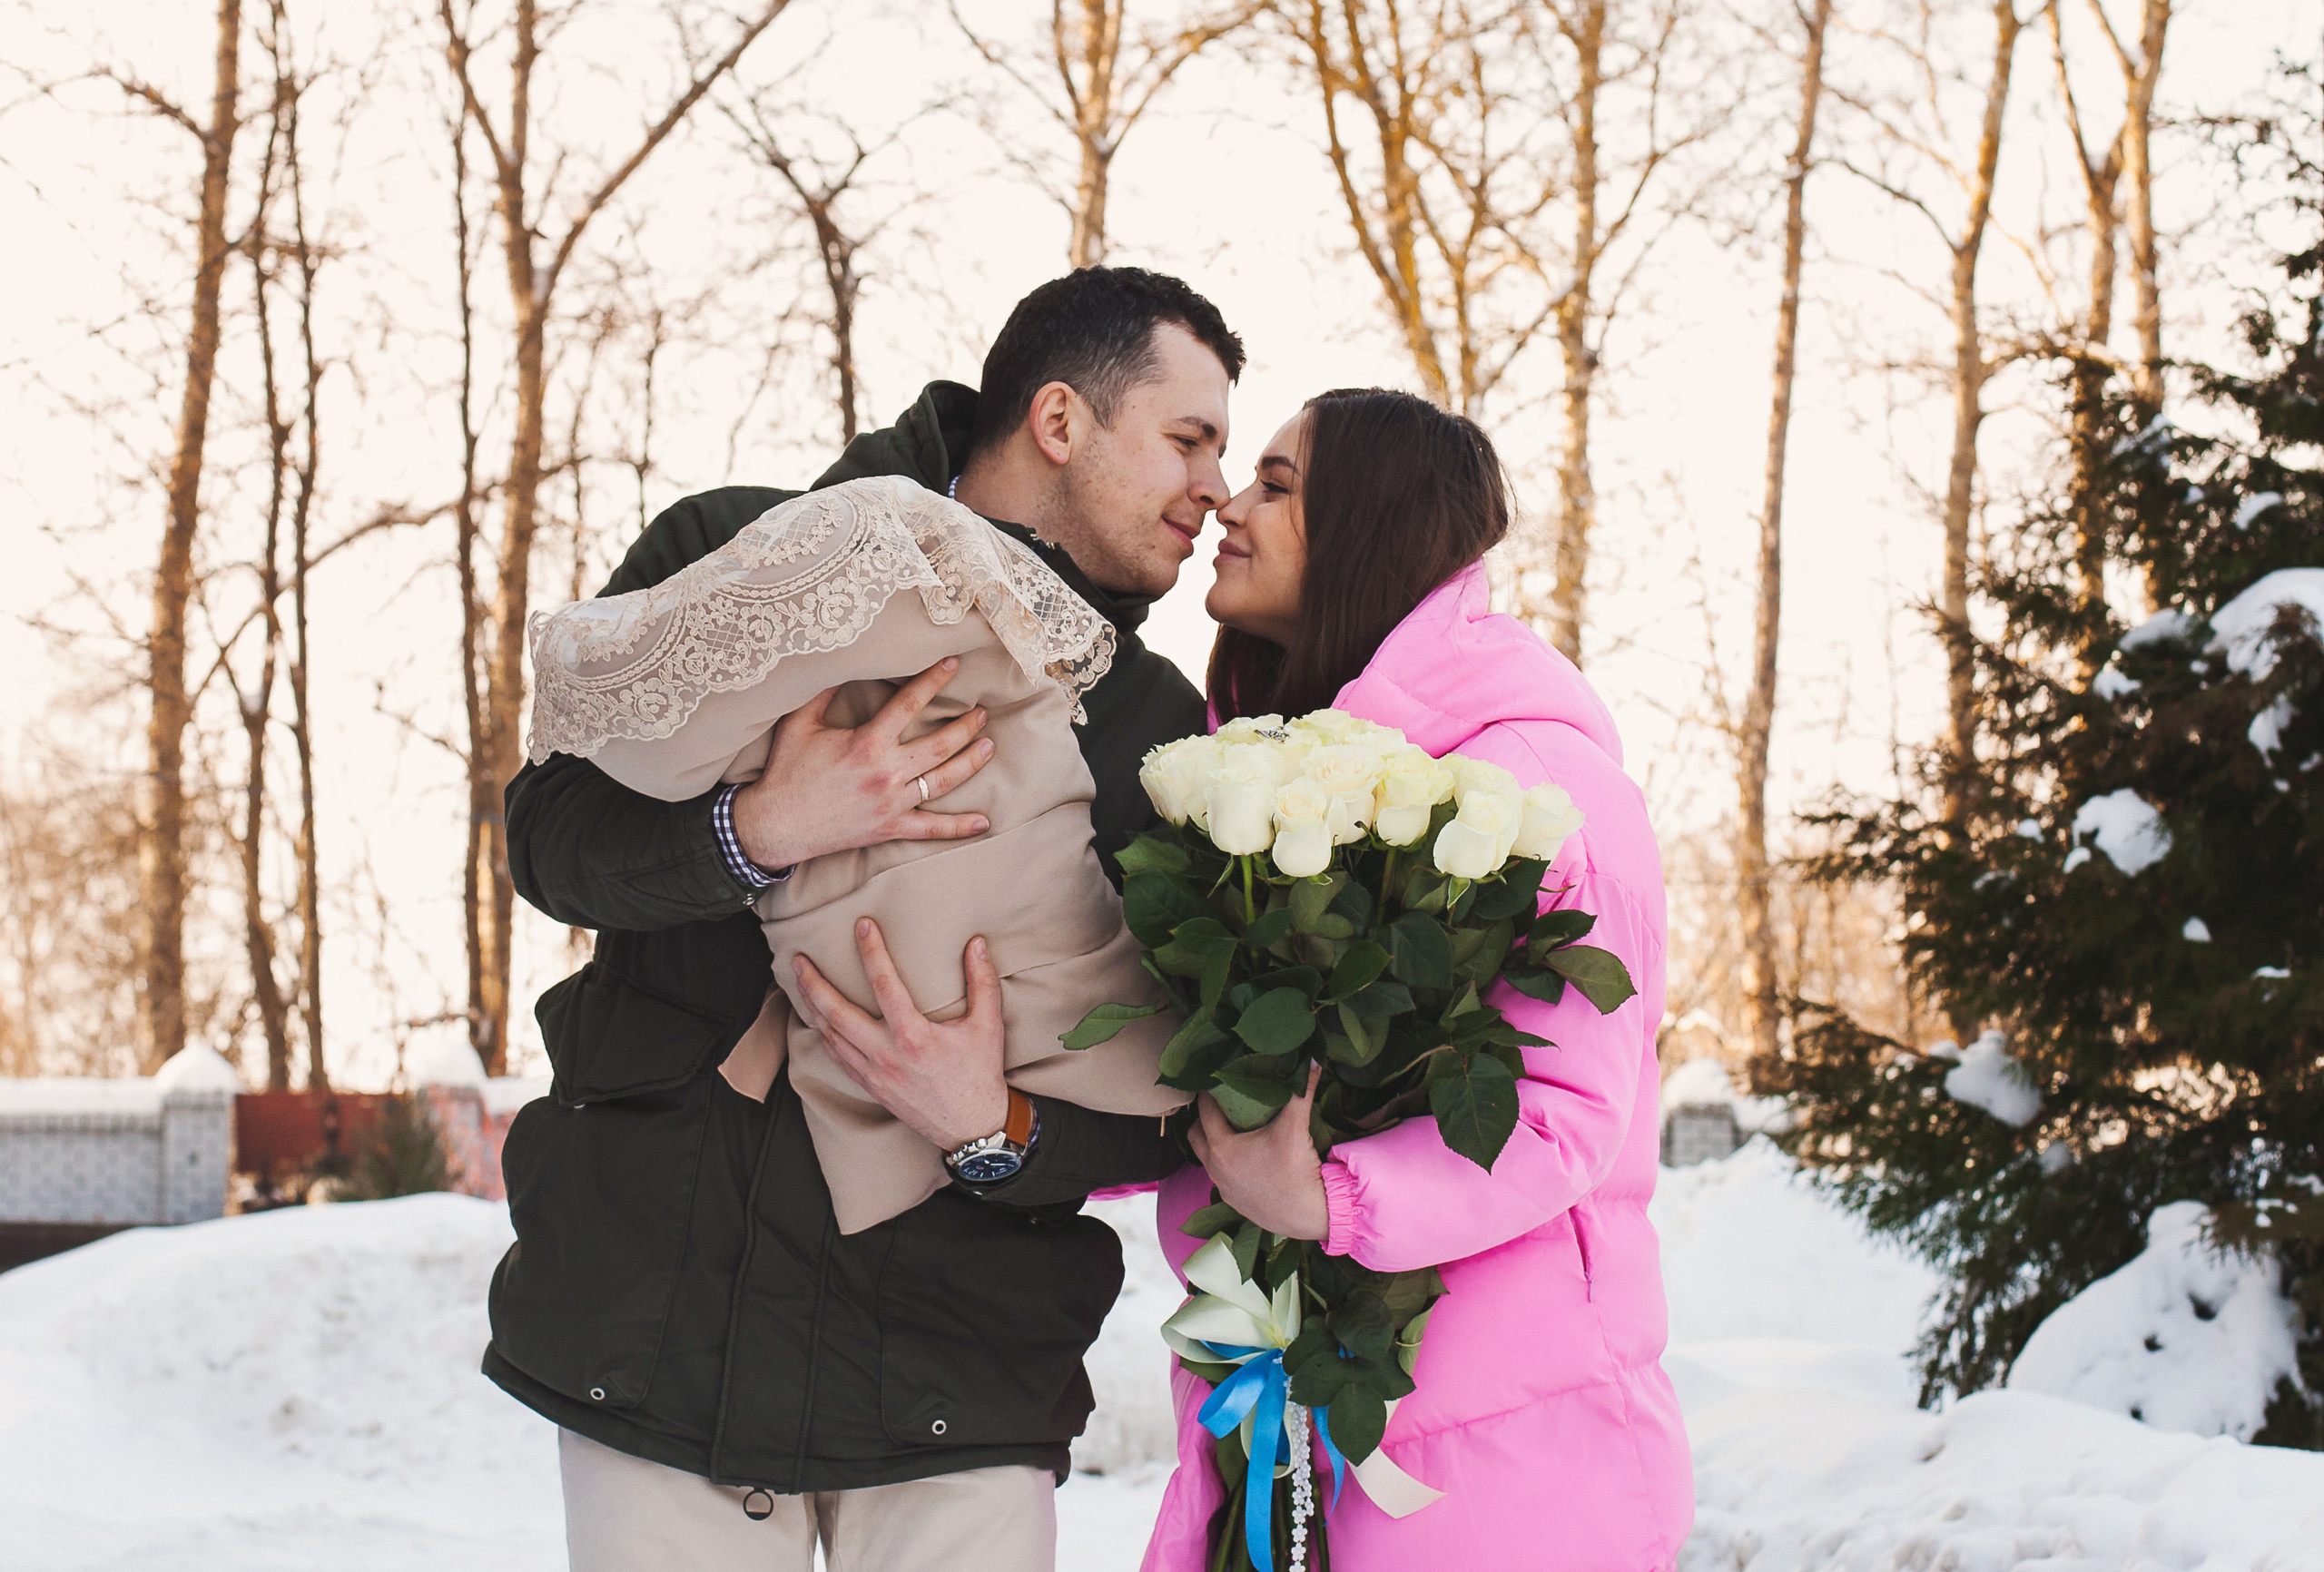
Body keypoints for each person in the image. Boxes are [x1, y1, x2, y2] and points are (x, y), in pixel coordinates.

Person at [484, 267, 1242, 1572]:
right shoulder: (735, 555)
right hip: (656, 1340)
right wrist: (756, 831)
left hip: (956, 1378)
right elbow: (550, 842)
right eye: (1189, 440)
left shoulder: (1159, 732)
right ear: (1059, 422)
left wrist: (995, 1132)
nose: (1214, 489)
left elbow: (1172, 1100)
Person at [1141, 388, 1693, 1568]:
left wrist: (1330, 1199)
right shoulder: (1245, 792)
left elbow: (1564, 1117)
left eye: (1279, 485)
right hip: (1275, 1423)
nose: (1228, 504)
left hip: (1500, 1465)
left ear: (1371, 528)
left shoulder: (1539, 787)